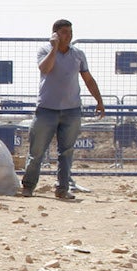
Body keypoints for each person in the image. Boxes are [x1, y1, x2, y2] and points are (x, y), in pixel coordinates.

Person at [22, 19, 106, 200]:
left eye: (70, 32)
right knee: (36, 151)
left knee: (66, 152)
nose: (69, 36)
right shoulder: (45, 51)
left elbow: (88, 79)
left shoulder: (78, 54)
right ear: (55, 34)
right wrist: (54, 48)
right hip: (46, 110)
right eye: (64, 32)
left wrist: (99, 100)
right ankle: (28, 186)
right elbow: (45, 68)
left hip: (72, 110)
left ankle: (62, 188)